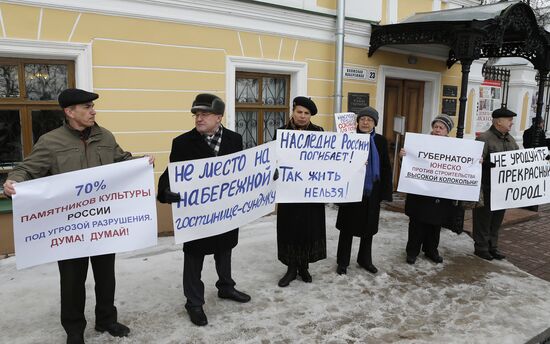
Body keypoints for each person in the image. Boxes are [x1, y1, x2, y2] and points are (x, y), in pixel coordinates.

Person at [2, 88, 152, 344]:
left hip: (103, 221)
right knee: (72, 281)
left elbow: (122, 161)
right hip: (70, 227)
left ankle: (107, 319)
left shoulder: (105, 136)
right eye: (87, 107)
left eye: (92, 106)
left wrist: (141, 163)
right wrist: (12, 181)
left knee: (106, 276)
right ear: (70, 112)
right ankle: (74, 330)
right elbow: (28, 169)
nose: (93, 111)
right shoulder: (51, 142)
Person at [157, 93, 250, 326]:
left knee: (225, 248)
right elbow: (171, 174)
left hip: (225, 211)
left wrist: (266, 173)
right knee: (194, 256)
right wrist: (165, 191)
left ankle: (226, 287)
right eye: (196, 114)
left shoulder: (234, 139)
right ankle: (194, 302)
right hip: (196, 216)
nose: (199, 118)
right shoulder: (182, 143)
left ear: (219, 117)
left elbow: (246, 168)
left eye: (204, 114)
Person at [335, 106, 392, 275]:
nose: (365, 122)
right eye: (362, 119)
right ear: (357, 122)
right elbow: (338, 163)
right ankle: (343, 262)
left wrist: (384, 193)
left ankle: (365, 259)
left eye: (369, 120)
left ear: (375, 123)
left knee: (368, 228)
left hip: (371, 191)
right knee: (347, 228)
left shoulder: (380, 141)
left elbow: (386, 168)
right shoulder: (348, 138)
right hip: (351, 189)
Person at [276, 96, 327, 287]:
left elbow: (330, 159)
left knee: (309, 228)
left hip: (311, 193)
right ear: (293, 112)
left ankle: (304, 266)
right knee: (290, 229)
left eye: (307, 113)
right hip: (289, 192)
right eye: (299, 112)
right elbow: (274, 159)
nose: (303, 116)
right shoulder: (282, 133)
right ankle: (290, 268)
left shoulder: (319, 132)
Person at [400, 114, 456, 265]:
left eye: (441, 128)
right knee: (417, 224)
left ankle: (431, 250)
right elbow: (410, 162)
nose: (437, 130)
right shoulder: (419, 143)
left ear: (447, 131)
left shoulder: (454, 147)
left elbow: (462, 164)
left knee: (435, 225)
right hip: (420, 192)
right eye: (436, 127)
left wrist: (476, 162)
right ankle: (412, 251)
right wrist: (403, 156)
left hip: (440, 193)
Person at [473, 107, 519, 261]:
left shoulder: (511, 140)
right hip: (487, 187)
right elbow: (474, 162)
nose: (511, 123)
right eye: (509, 120)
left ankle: (493, 247)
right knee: (483, 220)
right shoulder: (484, 138)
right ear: (499, 121)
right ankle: (481, 247)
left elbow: (518, 159)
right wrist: (487, 164)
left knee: (497, 220)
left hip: (502, 189)